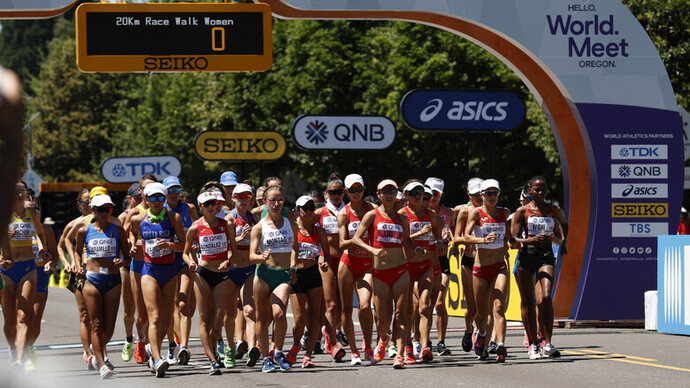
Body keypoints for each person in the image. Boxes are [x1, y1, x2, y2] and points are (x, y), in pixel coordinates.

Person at [352, 179, 423, 369]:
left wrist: (416, 248)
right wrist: (372, 250)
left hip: (400, 270)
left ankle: (399, 355)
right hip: (380, 272)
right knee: (383, 320)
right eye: (386, 191)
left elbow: (407, 240)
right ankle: (383, 338)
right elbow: (356, 239)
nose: (390, 195)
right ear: (379, 194)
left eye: (393, 191)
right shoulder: (371, 215)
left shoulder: (403, 219)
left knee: (401, 315)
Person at [126, 182, 186, 377]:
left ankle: (154, 350)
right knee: (155, 316)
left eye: (161, 197)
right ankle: (158, 358)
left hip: (169, 271)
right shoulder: (137, 218)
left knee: (167, 318)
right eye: (154, 198)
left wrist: (170, 244)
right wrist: (133, 246)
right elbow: (130, 236)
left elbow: (184, 244)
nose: (158, 201)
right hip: (149, 271)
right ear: (146, 199)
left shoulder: (173, 217)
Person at [74, 194, 130, 379]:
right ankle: (102, 364)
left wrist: (121, 260)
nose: (105, 213)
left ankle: (94, 348)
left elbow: (127, 255)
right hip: (92, 279)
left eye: (109, 209)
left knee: (109, 328)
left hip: (113, 280)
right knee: (96, 323)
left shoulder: (118, 230)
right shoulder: (84, 231)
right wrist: (77, 267)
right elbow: (76, 251)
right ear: (93, 211)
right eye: (101, 209)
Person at [462, 179, 517, 363]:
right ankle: (482, 333)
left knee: (498, 307)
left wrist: (513, 242)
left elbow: (509, 236)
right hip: (480, 268)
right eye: (488, 193)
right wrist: (482, 241)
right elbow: (466, 237)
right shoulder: (476, 214)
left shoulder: (504, 212)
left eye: (495, 193)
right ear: (482, 195)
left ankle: (500, 344)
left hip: (499, 266)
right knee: (481, 312)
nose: (492, 197)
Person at [511, 176, 565, 359]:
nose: (540, 193)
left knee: (546, 297)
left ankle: (548, 343)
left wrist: (556, 239)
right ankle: (533, 343)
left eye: (543, 189)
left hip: (546, 256)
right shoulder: (521, 212)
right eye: (536, 190)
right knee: (528, 302)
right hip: (527, 257)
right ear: (530, 192)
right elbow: (512, 241)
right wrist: (531, 240)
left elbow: (559, 236)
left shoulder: (553, 210)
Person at [183, 189, 235, 375]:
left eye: (214, 203)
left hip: (221, 273)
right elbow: (185, 251)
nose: (212, 207)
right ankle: (213, 359)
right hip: (202, 273)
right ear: (201, 207)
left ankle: (213, 348)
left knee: (218, 320)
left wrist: (227, 260)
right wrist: (190, 262)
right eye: (207, 205)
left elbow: (232, 250)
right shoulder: (195, 227)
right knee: (205, 319)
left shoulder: (226, 223)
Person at [249, 185, 298, 373]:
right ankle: (266, 358)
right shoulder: (258, 227)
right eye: (272, 200)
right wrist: (260, 258)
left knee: (279, 314)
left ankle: (278, 351)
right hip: (263, 275)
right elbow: (252, 255)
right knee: (262, 318)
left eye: (279, 200)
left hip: (283, 275)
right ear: (264, 203)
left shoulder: (291, 224)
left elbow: (295, 249)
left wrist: (293, 267)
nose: (276, 204)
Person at [2, 180, 49, 371]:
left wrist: (43, 249)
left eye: (22, 190)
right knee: (10, 319)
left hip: (29, 268)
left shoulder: (33, 214)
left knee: (23, 317)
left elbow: (39, 233)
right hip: (6, 269)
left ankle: (20, 360)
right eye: (15, 191)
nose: (19, 194)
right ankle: (13, 349)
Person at [286, 195, 329, 368]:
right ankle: (296, 346)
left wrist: (324, 261)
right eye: (306, 208)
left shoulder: (319, 231)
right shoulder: (292, 229)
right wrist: (291, 269)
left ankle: (308, 355)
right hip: (297, 275)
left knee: (314, 319)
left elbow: (326, 253)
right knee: (299, 320)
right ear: (298, 210)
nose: (310, 212)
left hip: (313, 273)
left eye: (312, 208)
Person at [337, 174, 376, 365]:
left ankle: (368, 346)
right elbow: (343, 244)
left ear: (364, 189)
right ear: (346, 192)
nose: (356, 193)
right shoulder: (343, 213)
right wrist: (360, 240)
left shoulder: (373, 210)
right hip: (348, 264)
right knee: (345, 308)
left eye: (359, 189)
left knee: (365, 305)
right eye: (352, 190)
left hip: (367, 264)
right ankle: (353, 351)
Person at [57, 188, 98, 370]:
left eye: (91, 200)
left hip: (97, 269)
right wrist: (70, 262)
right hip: (80, 271)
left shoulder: (103, 221)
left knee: (97, 315)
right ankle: (88, 352)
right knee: (84, 314)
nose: (88, 204)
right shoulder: (76, 223)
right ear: (79, 204)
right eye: (85, 201)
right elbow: (62, 243)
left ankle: (97, 349)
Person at [122, 175, 158, 364]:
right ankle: (140, 340)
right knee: (142, 314)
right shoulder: (135, 211)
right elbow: (125, 234)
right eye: (146, 189)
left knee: (156, 312)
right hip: (138, 264)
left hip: (159, 264)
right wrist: (131, 244)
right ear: (141, 191)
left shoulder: (163, 209)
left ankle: (156, 352)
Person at [163, 176, 199, 365]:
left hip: (185, 259)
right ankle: (177, 342)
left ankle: (183, 346)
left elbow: (199, 228)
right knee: (175, 304)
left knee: (185, 305)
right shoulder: (161, 211)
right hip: (168, 260)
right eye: (170, 190)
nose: (175, 194)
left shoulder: (189, 208)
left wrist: (196, 245)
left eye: (177, 190)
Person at [400, 181, 436, 364]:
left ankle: (424, 348)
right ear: (406, 195)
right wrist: (419, 234)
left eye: (420, 192)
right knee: (408, 311)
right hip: (407, 267)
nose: (418, 195)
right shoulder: (401, 215)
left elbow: (435, 240)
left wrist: (443, 241)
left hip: (426, 266)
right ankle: (407, 346)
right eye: (413, 192)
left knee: (424, 307)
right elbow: (400, 240)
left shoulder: (431, 214)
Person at [222, 183, 257, 368]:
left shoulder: (255, 219)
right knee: (229, 314)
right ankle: (230, 348)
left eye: (247, 197)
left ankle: (252, 348)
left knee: (250, 310)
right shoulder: (229, 220)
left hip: (250, 270)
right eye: (240, 197)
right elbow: (224, 246)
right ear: (233, 199)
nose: (243, 201)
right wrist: (240, 238)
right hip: (231, 270)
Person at [314, 173, 348, 361]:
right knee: (329, 303)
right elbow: (303, 227)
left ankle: (332, 331)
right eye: (332, 192)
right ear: (327, 193)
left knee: (342, 304)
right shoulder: (319, 212)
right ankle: (326, 338)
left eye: (339, 192)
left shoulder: (349, 210)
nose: (336, 195)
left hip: (344, 260)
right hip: (326, 259)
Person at [24, 191, 59, 369]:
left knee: (35, 322)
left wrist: (50, 264)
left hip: (40, 275)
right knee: (22, 318)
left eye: (35, 209)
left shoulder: (45, 230)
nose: (33, 213)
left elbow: (55, 255)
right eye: (28, 209)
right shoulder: (14, 228)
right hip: (20, 274)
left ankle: (28, 346)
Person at [424, 177, 455, 356]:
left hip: (442, 261)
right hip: (424, 262)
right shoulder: (419, 212)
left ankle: (441, 342)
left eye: (436, 194)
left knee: (440, 302)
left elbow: (456, 234)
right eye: (430, 193)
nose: (432, 197)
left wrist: (450, 237)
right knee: (425, 304)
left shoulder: (449, 213)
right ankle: (423, 338)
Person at [453, 177, 483, 353]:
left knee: (484, 305)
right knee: (472, 307)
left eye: (481, 194)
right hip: (469, 260)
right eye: (475, 195)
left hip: (487, 260)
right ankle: (468, 330)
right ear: (468, 194)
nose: (478, 198)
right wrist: (476, 239)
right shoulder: (465, 211)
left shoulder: (491, 210)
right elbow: (457, 237)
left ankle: (483, 337)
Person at [118, 182, 141, 362]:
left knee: (144, 309)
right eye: (138, 198)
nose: (141, 201)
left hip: (145, 264)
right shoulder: (123, 216)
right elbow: (117, 239)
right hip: (126, 265)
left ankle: (142, 341)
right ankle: (128, 339)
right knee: (129, 310)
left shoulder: (152, 214)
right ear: (129, 199)